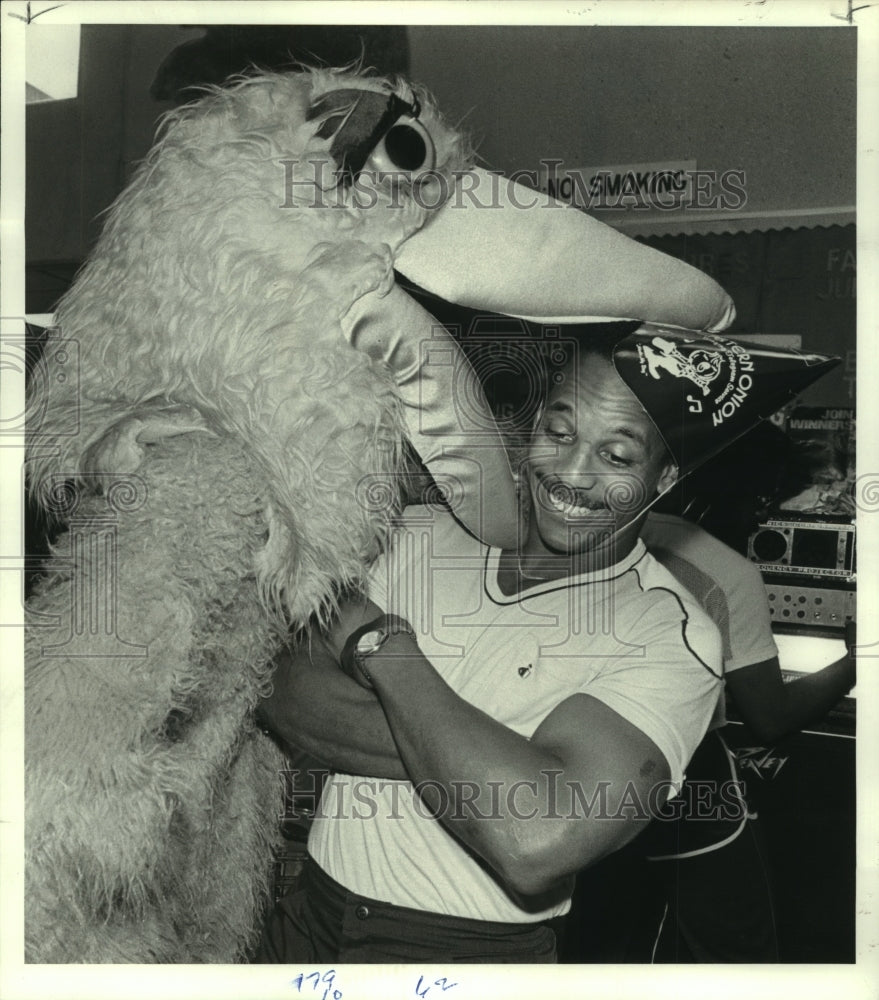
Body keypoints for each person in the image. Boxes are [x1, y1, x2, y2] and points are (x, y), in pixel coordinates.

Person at [255, 338, 725, 963]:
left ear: (663, 478)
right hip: (306, 915)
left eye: (615, 455)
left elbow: (535, 838)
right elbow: (277, 688)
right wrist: (507, 767)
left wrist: (384, 648)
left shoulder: (669, 633)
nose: (572, 473)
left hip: (464, 954)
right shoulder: (418, 533)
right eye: (559, 433)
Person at [562, 508, 856, 963]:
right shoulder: (723, 569)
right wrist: (861, 659)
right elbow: (770, 715)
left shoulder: (559, 534)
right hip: (682, 774)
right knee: (733, 944)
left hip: (571, 767)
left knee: (604, 936)